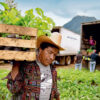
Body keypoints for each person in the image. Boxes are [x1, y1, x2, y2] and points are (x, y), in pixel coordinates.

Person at [5, 33, 64, 100]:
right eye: (50, 52)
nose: (52, 57)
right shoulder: (26, 65)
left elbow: (55, 90)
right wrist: (16, 62)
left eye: (55, 55)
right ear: (40, 49)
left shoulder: (52, 69)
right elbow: (13, 89)